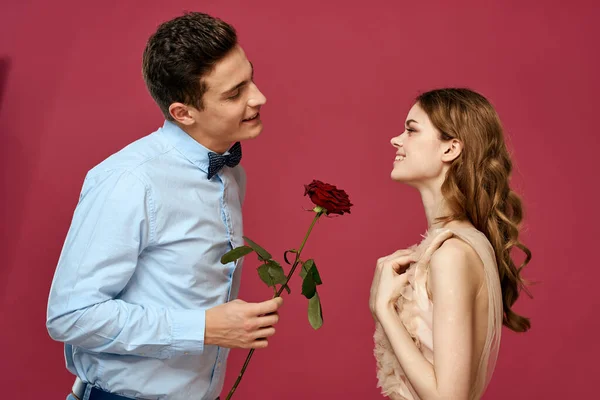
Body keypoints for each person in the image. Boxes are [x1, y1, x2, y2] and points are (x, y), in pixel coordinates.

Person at [46, 12, 283, 400]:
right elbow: (70, 316)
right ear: (183, 113)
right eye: (234, 93)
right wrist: (202, 328)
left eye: (251, 78)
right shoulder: (129, 181)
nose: (259, 97)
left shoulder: (231, 175)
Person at [369, 88, 532, 400]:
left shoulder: (453, 254)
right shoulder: (448, 248)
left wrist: (383, 309)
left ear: (451, 148)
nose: (396, 140)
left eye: (411, 130)